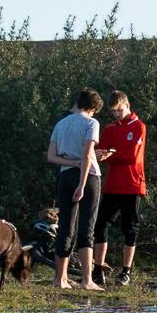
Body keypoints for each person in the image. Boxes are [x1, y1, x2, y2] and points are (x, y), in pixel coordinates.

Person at [45, 88, 112, 291]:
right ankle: (87, 280)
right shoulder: (92, 123)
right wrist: (82, 184)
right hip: (88, 177)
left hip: (65, 176)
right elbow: (86, 155)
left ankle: (60, 279)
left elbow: (51, 156)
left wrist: (71, 162)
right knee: (87, 228)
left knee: (65, 227)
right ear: (93, 109)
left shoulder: (61, 124)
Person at [92, 91, 147, 287]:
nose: (116, 114)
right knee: (100, 224)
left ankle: (126, 271)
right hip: (113, 184)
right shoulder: (110, 129)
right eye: (113, 111)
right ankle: (98, 270)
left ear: (127, 105)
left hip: (132, 184)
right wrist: (100, 154)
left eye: (119, 110)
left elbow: (132, 156)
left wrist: (111, 155)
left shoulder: (139, 127)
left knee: (130, 227)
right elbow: (100, 152)